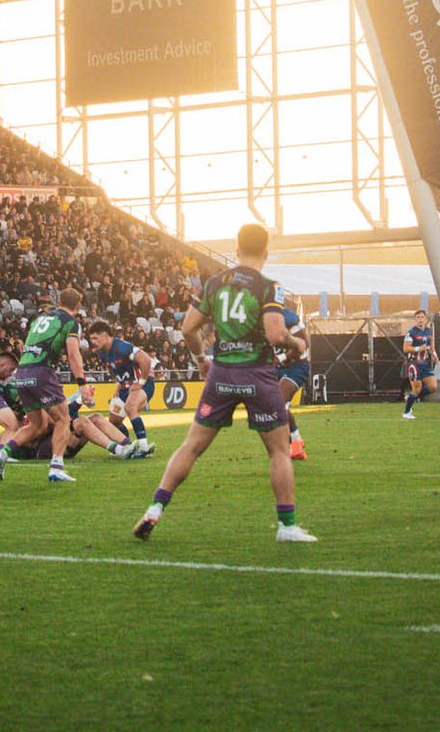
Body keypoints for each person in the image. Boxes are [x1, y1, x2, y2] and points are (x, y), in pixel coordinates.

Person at [133, 222, 317, 544]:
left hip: (220, 375)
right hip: (258, 374)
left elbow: (189, 329)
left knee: (191, 446)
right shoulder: (269, 286)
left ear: (236, 250)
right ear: (266, 252)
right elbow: (275, 334)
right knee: (278, 452)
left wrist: (201, 360)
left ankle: (155, 508)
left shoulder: (215, 283)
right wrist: (296, 343)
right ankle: (287, 526)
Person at [0, 287, 94, 484]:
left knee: (38, 425)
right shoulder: (70, 322)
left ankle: (3, 453)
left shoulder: (40, 318)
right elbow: (73, 354)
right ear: (78, 305)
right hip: (42, 372)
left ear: (59, 301)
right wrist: (82, 383)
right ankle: (56, 467)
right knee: (64, 419)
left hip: (22, 373)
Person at [87, 320, 156, 456]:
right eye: (91, 339)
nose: (93, 341)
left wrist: (141, 382)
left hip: (142, 384)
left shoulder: (122, 347)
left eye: (95, 338)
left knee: (131, 407)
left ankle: (143, 446)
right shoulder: (102, 353)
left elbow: (146, 360)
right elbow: (115, 370)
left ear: (106, 335)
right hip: (125, 388)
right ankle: (128, 445)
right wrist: (118, 386)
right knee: (113, 422)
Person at [276, 305, 310, 461]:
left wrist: (281, 358)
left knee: (278, 403)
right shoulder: (259, 319)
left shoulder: (289, 318)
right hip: (277, 368)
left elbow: (304, 342)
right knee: (281, 407)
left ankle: (288, 446)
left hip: (296, 366)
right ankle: (296, 442)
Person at [401, 310, 440, 419]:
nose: (420, 319)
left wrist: (435, 356)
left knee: (433, 387)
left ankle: (411, 398)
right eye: (417, 317)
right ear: (415, 320)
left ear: (426, 319)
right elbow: (405, 348)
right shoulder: (411, 333)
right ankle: (406, 412)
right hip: (414, 364)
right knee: (417, 389)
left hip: (425, 364)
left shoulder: (428, 332)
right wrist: (418, 348)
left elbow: (431, 347)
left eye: (422, 317)